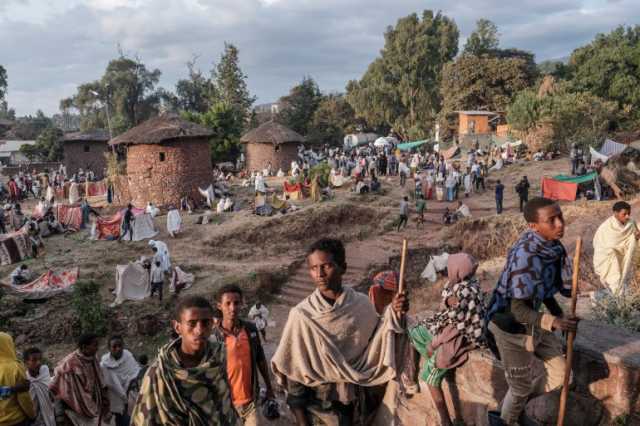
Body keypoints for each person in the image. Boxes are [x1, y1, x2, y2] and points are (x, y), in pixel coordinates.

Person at [271, 238, 408, 425]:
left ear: (342, 267)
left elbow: (380, 343)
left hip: (358, 404)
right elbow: (294, 372)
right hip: (319, 409)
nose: (319, 274)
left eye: (326, 266)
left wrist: (396, 313)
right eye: (313, 268)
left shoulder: (362, 305)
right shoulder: (301, 316)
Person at [485, 198, 579, 426]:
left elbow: (543, 291)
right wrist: (554, 322)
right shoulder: (525, 256)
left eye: (561, 217)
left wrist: (561, 315)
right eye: (552, 220)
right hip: (510, 327)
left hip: (533, 324)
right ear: (533, 226)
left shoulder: (551, 248)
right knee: (519, 388)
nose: (560, 224)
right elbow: (518, 309)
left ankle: (518, 408)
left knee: (563, 376)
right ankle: (506, 420)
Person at [130, 296, 239, 425]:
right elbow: (145, 419)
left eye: (205, 323)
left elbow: (226, 405)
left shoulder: (218, 357)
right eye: (191, 323)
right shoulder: (160, 373)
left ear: (212, 324)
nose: (199, 330)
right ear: (177, 327)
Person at [408, 253, 486, 426]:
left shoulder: (462, 291)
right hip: (457, 330)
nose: (445, 274)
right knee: (415, 331)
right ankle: (417, 374)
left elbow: (454, 327)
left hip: (458, 339)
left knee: (429, 378)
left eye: (446, 271)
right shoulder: (468, 283)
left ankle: (445, 420)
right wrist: (447, 302)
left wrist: (434, 343)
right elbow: (448, 308)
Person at [210, 286, 276, 425]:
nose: (233, 308)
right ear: (219, 306)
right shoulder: (213, 338)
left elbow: (260, 359)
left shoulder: (250, 329)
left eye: (236, 303)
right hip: (226, 405)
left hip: (250, 402)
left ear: (242, 304)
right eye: (227, 303)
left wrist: (269, 388)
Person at [50, 333, 110, 426]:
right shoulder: (69, 364)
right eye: (94, 345)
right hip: (74, 408)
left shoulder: (92, 358)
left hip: (91, 403)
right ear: (84, 347)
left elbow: (98, 380)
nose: (97, 348)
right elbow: (62, 390)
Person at [592, 201, 640, 297]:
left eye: (628, 214)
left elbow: (635, 237)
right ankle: (616, 303)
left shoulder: (631, 224)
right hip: (608, 258)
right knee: (615, 280)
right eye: (624, 214)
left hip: (624, 259)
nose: (627, 216)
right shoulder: (606, 227)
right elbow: (601, 245)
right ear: (615, 213)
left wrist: (635, 237)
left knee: (622, 283)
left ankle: (617, 301)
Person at [100, 336, 140, 426]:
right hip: (114, 397)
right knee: (120, 419)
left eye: (120, 346)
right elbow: (105, 383)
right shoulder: (104, 365)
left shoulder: (128, 356)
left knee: (129, 419)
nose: (118, 349)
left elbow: (135, 372)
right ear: (109, 348)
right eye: (114, 346)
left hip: (130, 395)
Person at [0, 332, 36, 426]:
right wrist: (32, 415)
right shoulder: (15, 367)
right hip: (16, 420)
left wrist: (9, 389)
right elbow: (24, 398)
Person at [24, 347, 55, 426]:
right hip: (33, 417)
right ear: (26, 362)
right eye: (34, 360)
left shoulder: (45, 370)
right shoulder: (24, 378)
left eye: (40, 359)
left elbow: (49, 388)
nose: (38, 363)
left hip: (49, 412)